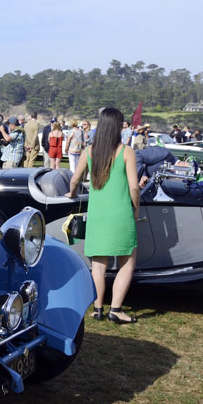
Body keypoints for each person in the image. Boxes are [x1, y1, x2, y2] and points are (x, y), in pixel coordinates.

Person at [66, 107, 140, 325]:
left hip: (97, 214)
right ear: (118, 127)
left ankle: (98, 308)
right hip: (121, 214)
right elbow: (134, 187)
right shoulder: (126, 151)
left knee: (98, 265)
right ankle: (115, 309)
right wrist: (136, 209)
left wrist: (70, 194)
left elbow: (74, 181)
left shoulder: (90, 150)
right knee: (127, 262)